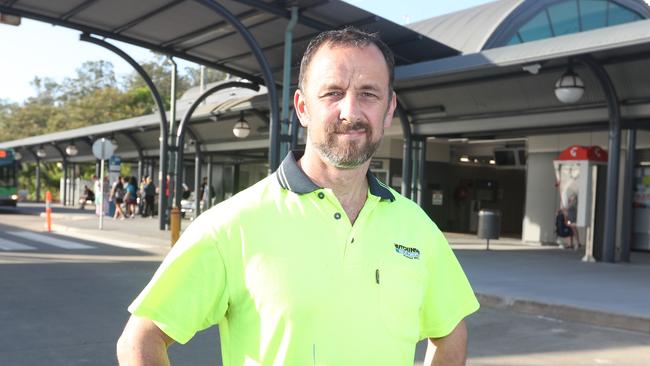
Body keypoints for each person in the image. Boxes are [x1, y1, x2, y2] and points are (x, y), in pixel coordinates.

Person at [117, 27, 479, 366]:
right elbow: (141, 340)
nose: (350, 111)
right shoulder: (232, 224)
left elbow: (450, 334)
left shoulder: (417, 226)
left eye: (368, 94)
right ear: (303, 108)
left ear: (388, 110)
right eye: (332, 93)